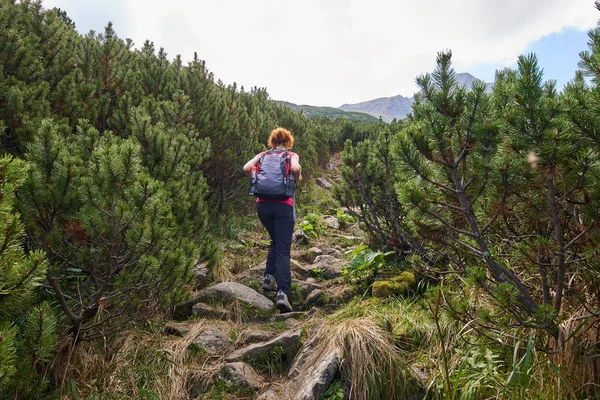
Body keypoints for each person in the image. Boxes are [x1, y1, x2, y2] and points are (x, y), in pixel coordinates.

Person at [243, 127, 302, 313]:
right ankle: (283, 293)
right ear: (288, 142)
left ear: (272, 142)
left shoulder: (262, 155)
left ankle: (268, 277)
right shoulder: (291, 154)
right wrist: (297, 177)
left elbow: (245, 168)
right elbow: (295, 169)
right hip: (283, 205)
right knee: (283, 249)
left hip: (263, 206)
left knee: (275, 241)